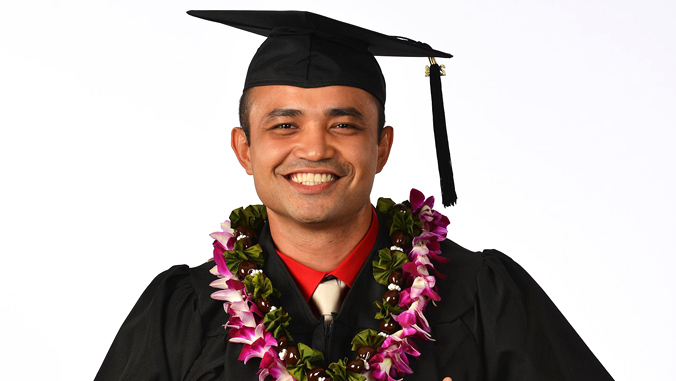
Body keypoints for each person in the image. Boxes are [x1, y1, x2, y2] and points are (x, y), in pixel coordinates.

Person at [95, 10, 614, 381]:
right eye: (283, 125)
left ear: (382, 146)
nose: (315, 148)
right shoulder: (182, 313)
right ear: (244, 149)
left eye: (344, 124)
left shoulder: (483, 300)